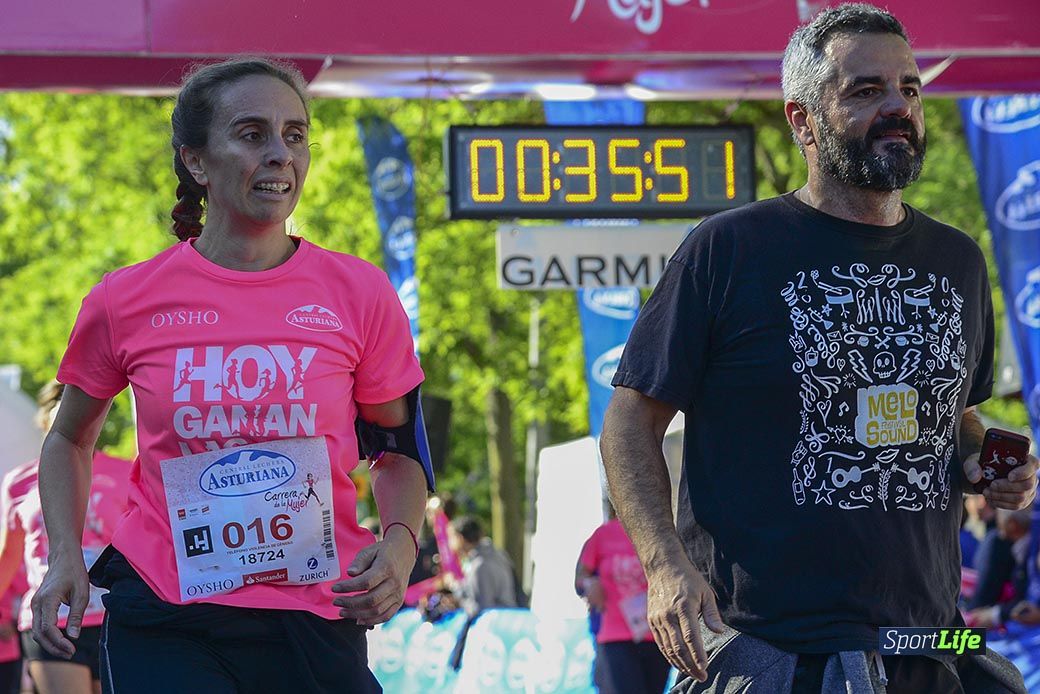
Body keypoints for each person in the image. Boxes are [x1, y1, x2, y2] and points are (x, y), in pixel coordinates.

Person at [600, 4, 1036, 692]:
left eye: (910, 88)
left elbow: (956, 416)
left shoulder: (957, 260)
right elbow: (629, 421)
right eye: (866, 90)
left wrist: (988, 462)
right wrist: (664, 566)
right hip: (770, 650)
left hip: (930, 639)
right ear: (802, 120)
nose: (898, 107)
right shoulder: (729, 249)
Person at [30, 58, 432, 693]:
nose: (280, 154)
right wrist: (63, 557)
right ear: (196, 161)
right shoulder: (125, 299)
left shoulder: (360, 292)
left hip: (315, 609)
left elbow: (398, 452)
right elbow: (69, 439)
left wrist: (401, 548)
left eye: (295, 135)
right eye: (251, 134)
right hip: (167, 610)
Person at [0, 381, 129, 694]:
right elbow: (9, 557)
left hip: (113, 615)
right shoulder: (18, 482)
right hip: (50, 619)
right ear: (47, 418)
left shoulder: (126, 472)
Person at [577, 508, 670, 694]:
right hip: (615, 636)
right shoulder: (603, 535)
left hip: (658, 635)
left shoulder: (663, 533)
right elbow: (580, 577)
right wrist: (589, 584)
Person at [447, 516, 518, 617]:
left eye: (450, 538)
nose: (449, 545)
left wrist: (459, 604)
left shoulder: (480, 565)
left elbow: (482, 609)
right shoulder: (497, 554)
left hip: (498, 622)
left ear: (460, 538)